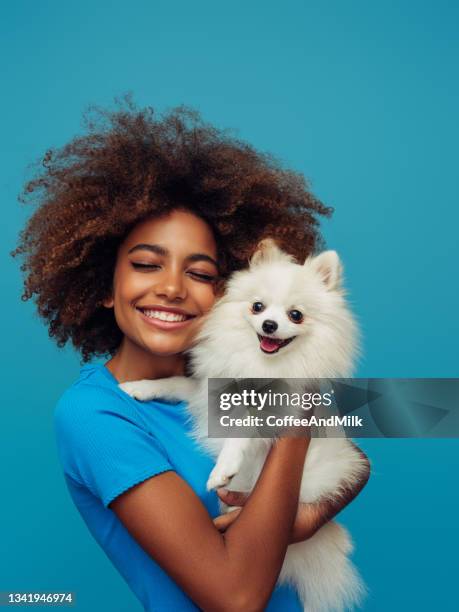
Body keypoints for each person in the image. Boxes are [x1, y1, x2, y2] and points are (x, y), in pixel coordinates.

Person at [14, 100, 370, 611]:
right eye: (145, 264)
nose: (173, 288)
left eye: (201, 274)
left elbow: (361, 452)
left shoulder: (236, 373)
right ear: (103, 286)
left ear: (225, 293)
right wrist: (296, 417)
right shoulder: (96, 413)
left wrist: (307, 518)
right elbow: (236, 598)